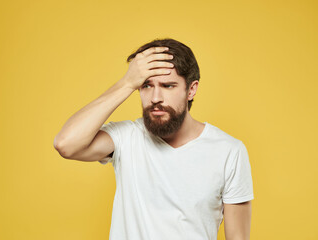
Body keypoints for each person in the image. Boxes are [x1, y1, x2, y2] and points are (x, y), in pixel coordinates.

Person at [54, 38, 254, 240]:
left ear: (191, 90)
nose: (155, 98)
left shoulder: (229, 151)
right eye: (146, 86)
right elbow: (66, 144)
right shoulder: (127, 137)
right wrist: (126, 83)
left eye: (168, 86)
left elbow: (238, 237)